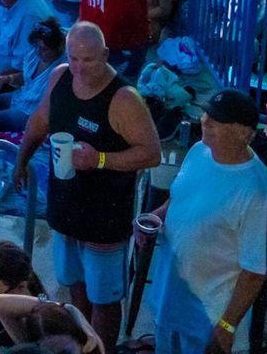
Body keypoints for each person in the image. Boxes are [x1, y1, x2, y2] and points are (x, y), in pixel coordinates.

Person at [12, 21, 160, 354]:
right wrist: (21, 160)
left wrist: (101, 160)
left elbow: (151, 154)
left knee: (104, 298)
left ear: (106, 55)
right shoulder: (60, 76)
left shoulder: (124, 98)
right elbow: (39, 120)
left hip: (105, 218)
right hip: (65, 210)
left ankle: (102, 350)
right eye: (74, 58)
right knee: (75, 287)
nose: (80, 68)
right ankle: (83, 344)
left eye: (89, 60)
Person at [149, 89, 267, 354]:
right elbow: (179, 196)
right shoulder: (199, 151)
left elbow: (255, 273)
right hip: (170, 299)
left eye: (216, 120)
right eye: (207, 113)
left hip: (208, 320)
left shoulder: (258, 194)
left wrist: (227, 326)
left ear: (244, 133)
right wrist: (158, 216)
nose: (205, 121)